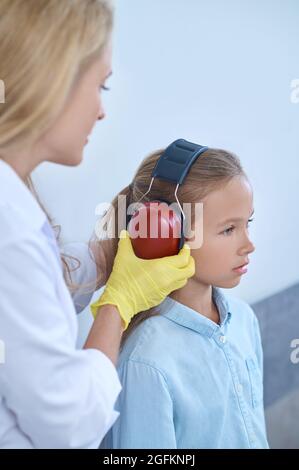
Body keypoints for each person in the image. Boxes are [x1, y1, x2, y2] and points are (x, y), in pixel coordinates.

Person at [0, 0, 194, 449]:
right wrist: (119, 302)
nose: (102, 111)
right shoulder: (10, 231)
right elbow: (68, 421)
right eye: (101, 86)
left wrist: (103, 259)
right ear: (51, 80)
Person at [100, 146, 269, 449]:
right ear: (164, 234)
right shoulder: (147, 361)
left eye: (248, 223)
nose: (249, 245)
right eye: (229, 229)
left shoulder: (244, 319)